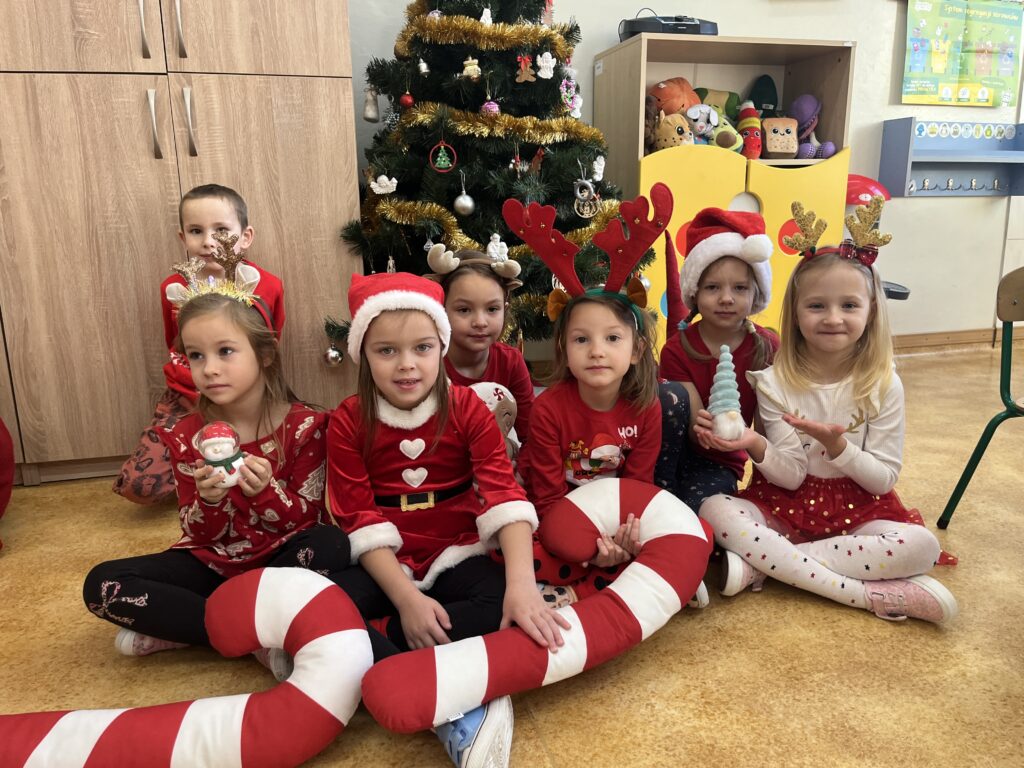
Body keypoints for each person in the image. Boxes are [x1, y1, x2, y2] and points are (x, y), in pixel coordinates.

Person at [326, 272, 568, 768]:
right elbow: (359, 517)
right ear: (363, 355)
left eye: (422, 347)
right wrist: (408, 600)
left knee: (502, 601)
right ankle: (449, 691)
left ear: (441, 346)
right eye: (386, 351)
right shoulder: (348, 420)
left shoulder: (468, 409)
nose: (407, 364)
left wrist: (522, 588)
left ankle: (388, 648)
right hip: (386, 559)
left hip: (455, 546)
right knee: (325, 609)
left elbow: (504, 493)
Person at [697, 198, 958, 623]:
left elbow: (883, 479)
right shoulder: (774, 382)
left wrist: (840, 449)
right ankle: (865, 595)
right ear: (795, 313)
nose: (833, 318)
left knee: (922, 546)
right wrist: (755, 442)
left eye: (849, 305)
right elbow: (791, 475)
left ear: (871, 311)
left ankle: (765, 566)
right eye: (817, 305)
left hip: (860, 512)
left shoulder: (883, 385)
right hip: (784, 504)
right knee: (713, 509)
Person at [85, 266, 343, 667]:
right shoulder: (184, 435)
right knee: (102, 585)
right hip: (213, 564)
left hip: (281, 562)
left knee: (332, 546)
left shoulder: (306, 425)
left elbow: (306, 520)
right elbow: (198, 533)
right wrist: (208, 500)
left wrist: (266, 491)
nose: (209, 369)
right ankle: (252, 637)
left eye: (225, 351)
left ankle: (193, 626)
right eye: (196, 355)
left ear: (265, 354)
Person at [113, 184, 284, 505]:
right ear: (183, 238)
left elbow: (270, 348)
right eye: (196, 231)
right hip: (187, 397)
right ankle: (197, 476)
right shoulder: (172, 289)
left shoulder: (268, 286)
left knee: (271, 472)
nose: (208, 241)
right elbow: (175, 344)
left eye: (221, 230)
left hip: (251, 399)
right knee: (139, 486)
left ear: (245, 236)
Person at [656, 208, 778, 511]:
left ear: (756, 293)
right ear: (695, 293)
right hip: (668, 452)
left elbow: (768, 426)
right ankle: (658, 493)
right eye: (713, 287)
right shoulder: (677, 349)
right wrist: (704, 429)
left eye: (740, 288)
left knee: (701, 511)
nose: (726, 298)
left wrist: (766, 481)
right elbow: (691, 426)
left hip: (721, 461)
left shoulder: (766, 347)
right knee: (661, 507)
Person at [429, 246, 535, 442]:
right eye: (464, 310)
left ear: (505, 310)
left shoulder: (510, 361)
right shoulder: (430, 363)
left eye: (492, 309)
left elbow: (530, 433)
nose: (480, 322)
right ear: (441, 310)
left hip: (496, 456)